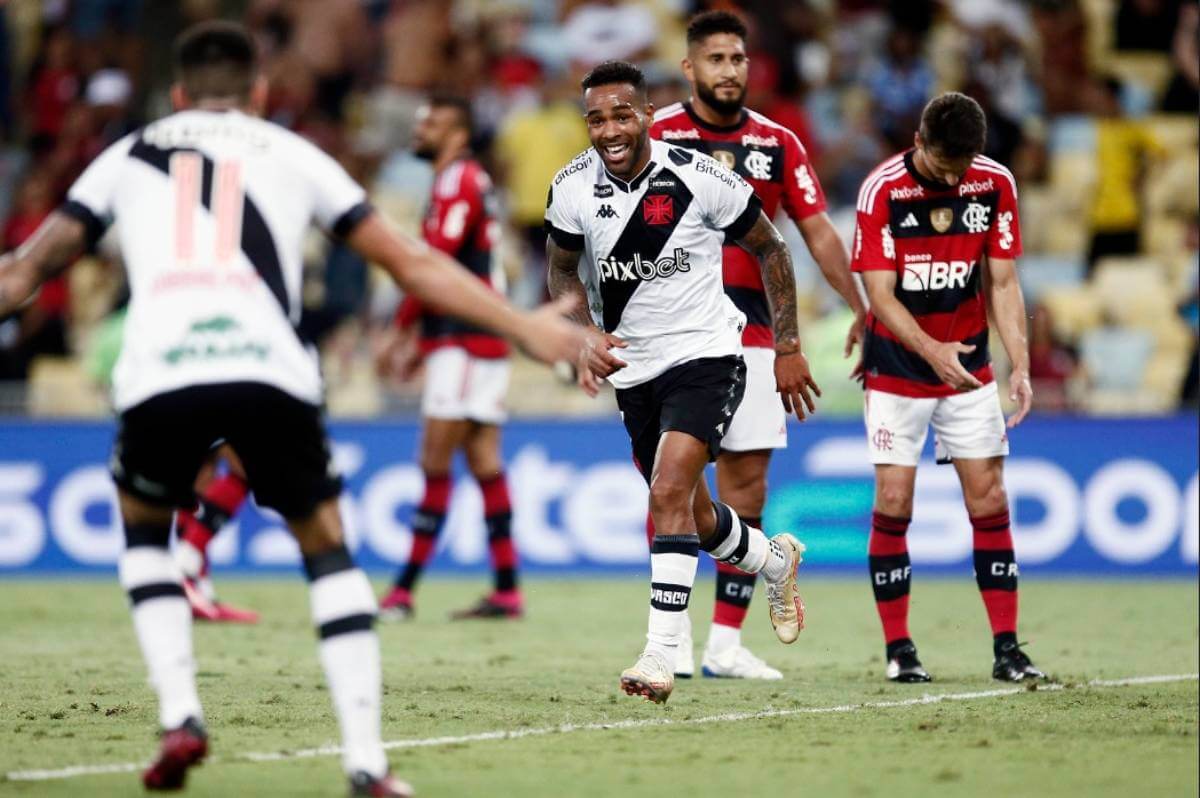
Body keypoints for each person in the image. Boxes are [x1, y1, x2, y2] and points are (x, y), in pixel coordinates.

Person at [0, 21, 585, 796]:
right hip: (267, 368)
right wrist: (524, 328)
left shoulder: (126, 155)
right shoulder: (293, 152)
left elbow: (27, 271)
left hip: (159, 370)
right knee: (326, 545)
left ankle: (181, 715)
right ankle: (367, 764)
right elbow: (409, 262)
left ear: (178, 95)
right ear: (261, 94)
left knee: (144, 531)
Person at [545, 60, 815, 705]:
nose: (609, 129)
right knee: (689, 513)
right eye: (596, 118)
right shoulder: (571, 187)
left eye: (621, 114)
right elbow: (561, 274)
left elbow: (772, 248)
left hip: (707, 355)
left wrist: (787, 345)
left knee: (667, 489)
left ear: (646, 115)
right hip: (631, 369)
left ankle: (661, 654)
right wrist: (584, 332)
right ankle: (774, 561)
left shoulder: (698, 177)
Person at [648, 10, 867, 681]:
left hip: (753, 330)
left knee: (745, 484)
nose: (729, 70)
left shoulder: (777, 143)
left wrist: (862, 307)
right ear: (690, 69)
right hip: (671, 329)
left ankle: (724, 643)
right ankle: (672, 633)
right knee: (673, 483)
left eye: (738, 59)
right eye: (715, 59)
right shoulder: (656, 135)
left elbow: (818, 234)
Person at [850, 91, 1045, 684]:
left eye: (962, 166)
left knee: (989, 501)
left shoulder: (993, 183)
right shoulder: (882, 189)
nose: (954, 177)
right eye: (942, 166)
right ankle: (900, 649)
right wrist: (930, 350)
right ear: (917, 143)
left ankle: (1008, 647)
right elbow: (880, 294)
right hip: (897, 369)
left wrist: (1022, 365)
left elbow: (1004, 282)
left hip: (969, 370)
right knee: (894, 504)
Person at [377, 96, 523, 621]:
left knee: (434, 464)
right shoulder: (466, 180)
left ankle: (402, 592)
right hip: (478, 336)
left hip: (464, 339)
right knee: (484, 462)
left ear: (458, 134)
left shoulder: (456, 179)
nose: (421, 129)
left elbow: (431, 264)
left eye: (432, 122)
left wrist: (400, 332)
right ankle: (507, 589)